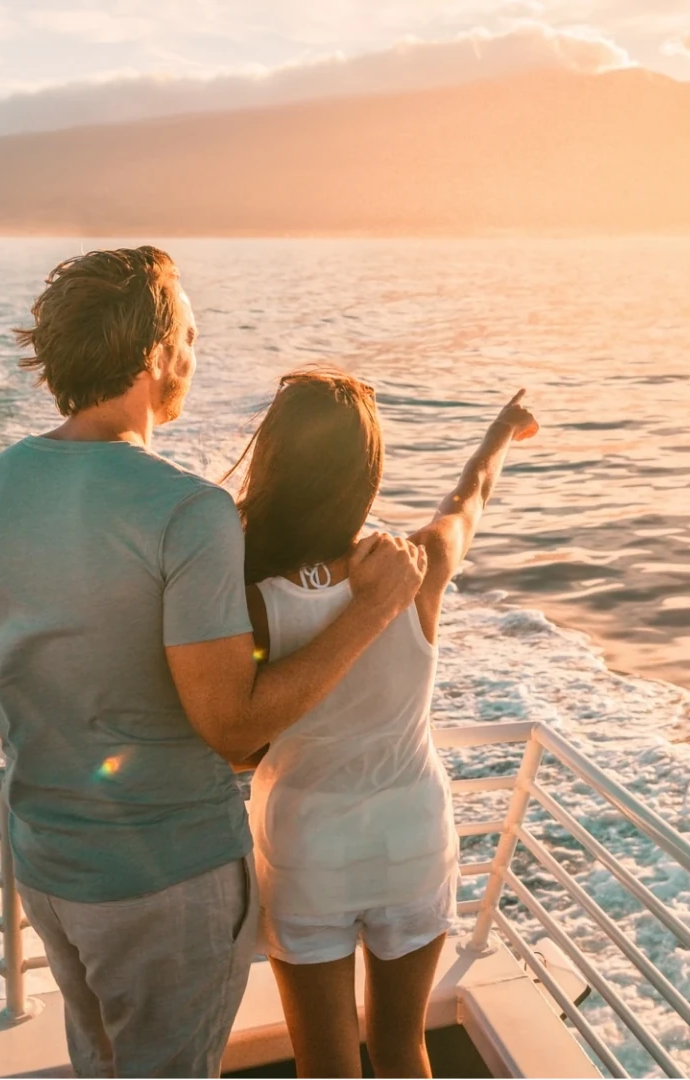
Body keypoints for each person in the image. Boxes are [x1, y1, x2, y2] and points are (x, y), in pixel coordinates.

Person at [0, 248, 427, 1079]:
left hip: (47, 865)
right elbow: (233, 727)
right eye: (192, 337)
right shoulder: (188, 513)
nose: (195, 358)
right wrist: (376, 610)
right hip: (165, 883)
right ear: (156, 355)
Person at [232, 367, 538, 1078]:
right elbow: (472, 496)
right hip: (410, 836)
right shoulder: (416, 564)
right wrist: (499, 435)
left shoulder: (251, 595)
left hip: (308, 846)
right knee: (404, 1049)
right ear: (365, 473)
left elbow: (241, 736)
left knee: (326, 1066)